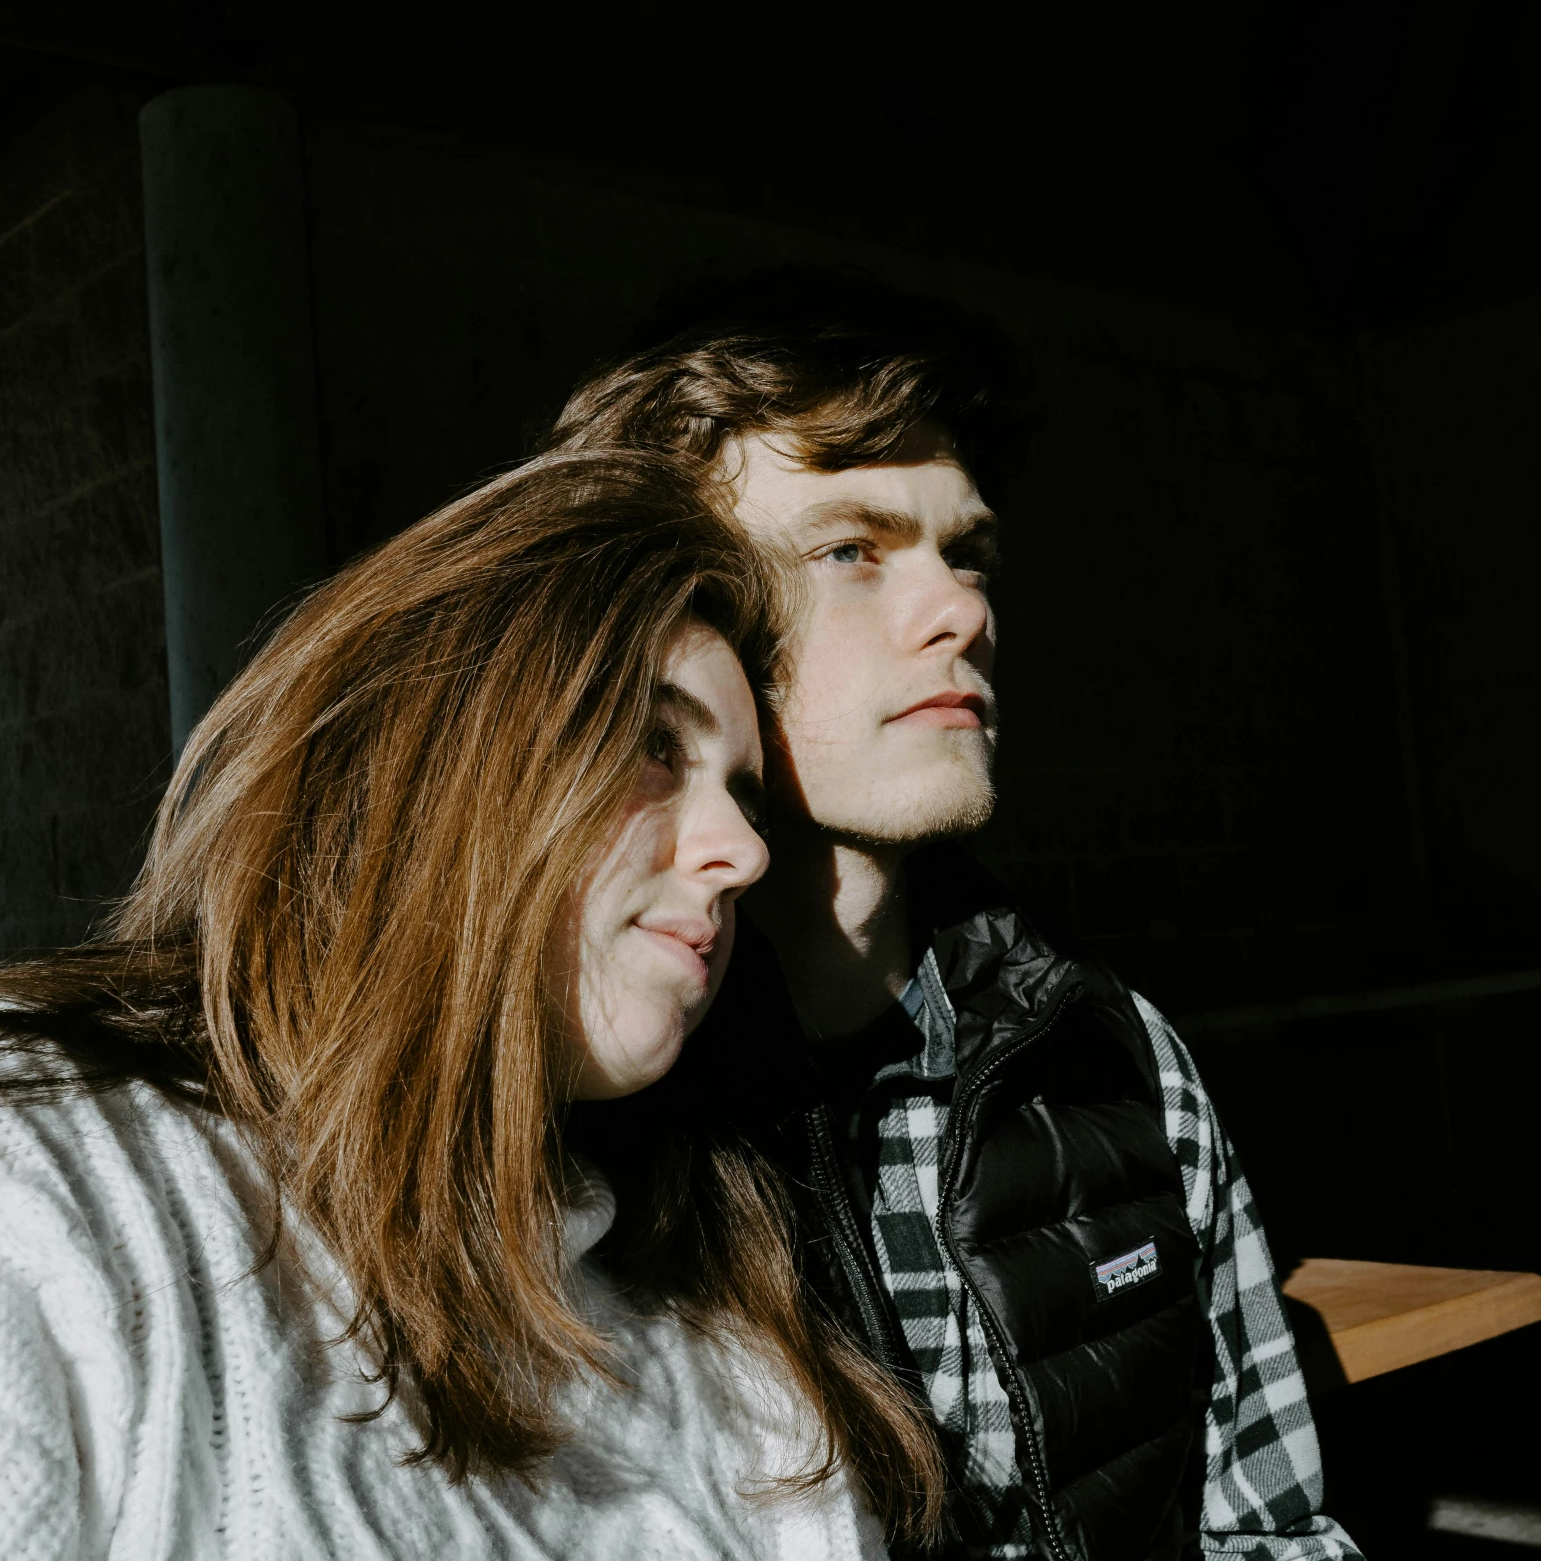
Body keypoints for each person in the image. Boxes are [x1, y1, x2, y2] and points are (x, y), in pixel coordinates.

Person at [0, 450, 951, 1559]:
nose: (744, 850)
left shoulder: (725, 1366)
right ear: (426, 759)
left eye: (746, 793)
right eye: (649, 743)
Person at [549, 283, 1365, 1561]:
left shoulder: (1110, 1053)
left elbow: (1276, 1530)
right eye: (851, 551)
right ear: (678, 617)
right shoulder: (577, 1112)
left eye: (964, 552)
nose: (963, 612)